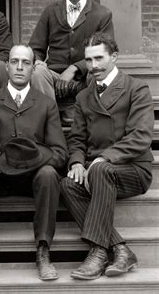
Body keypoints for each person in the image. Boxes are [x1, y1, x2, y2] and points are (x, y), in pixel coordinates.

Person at [0, 45, 67, 282]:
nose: (19, 67)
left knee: (50, 173)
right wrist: (8, 163)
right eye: (14, 62)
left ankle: (43, 249)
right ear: (6, 66)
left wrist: (28, 161)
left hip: (34, 178)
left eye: (26, 62)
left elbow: (60, 152)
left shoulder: (45, 103)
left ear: (34, 68)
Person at [60, 32, 153, 280]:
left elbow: (141, 136)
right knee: (68, 183)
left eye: (99, 58)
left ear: (114, 56)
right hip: (98, 171)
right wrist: (77, 162)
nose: (94, 66)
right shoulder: (83, 96)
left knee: (100, 169)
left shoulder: (136, 88)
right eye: (89, 61)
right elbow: (77, 139)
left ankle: (99, 252)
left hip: (132, 169)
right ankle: (120, 249)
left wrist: (104, 158)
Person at [29, 0, 114, 124]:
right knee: (37, 72)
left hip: (85, 77)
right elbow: (36, 48)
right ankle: (49, 121)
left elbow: (106, 51)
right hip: (54, 76)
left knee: (100, 70)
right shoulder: (50, 11)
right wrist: (38, 62)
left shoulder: (102, 14)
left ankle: (85, 117)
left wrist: (75, 67)